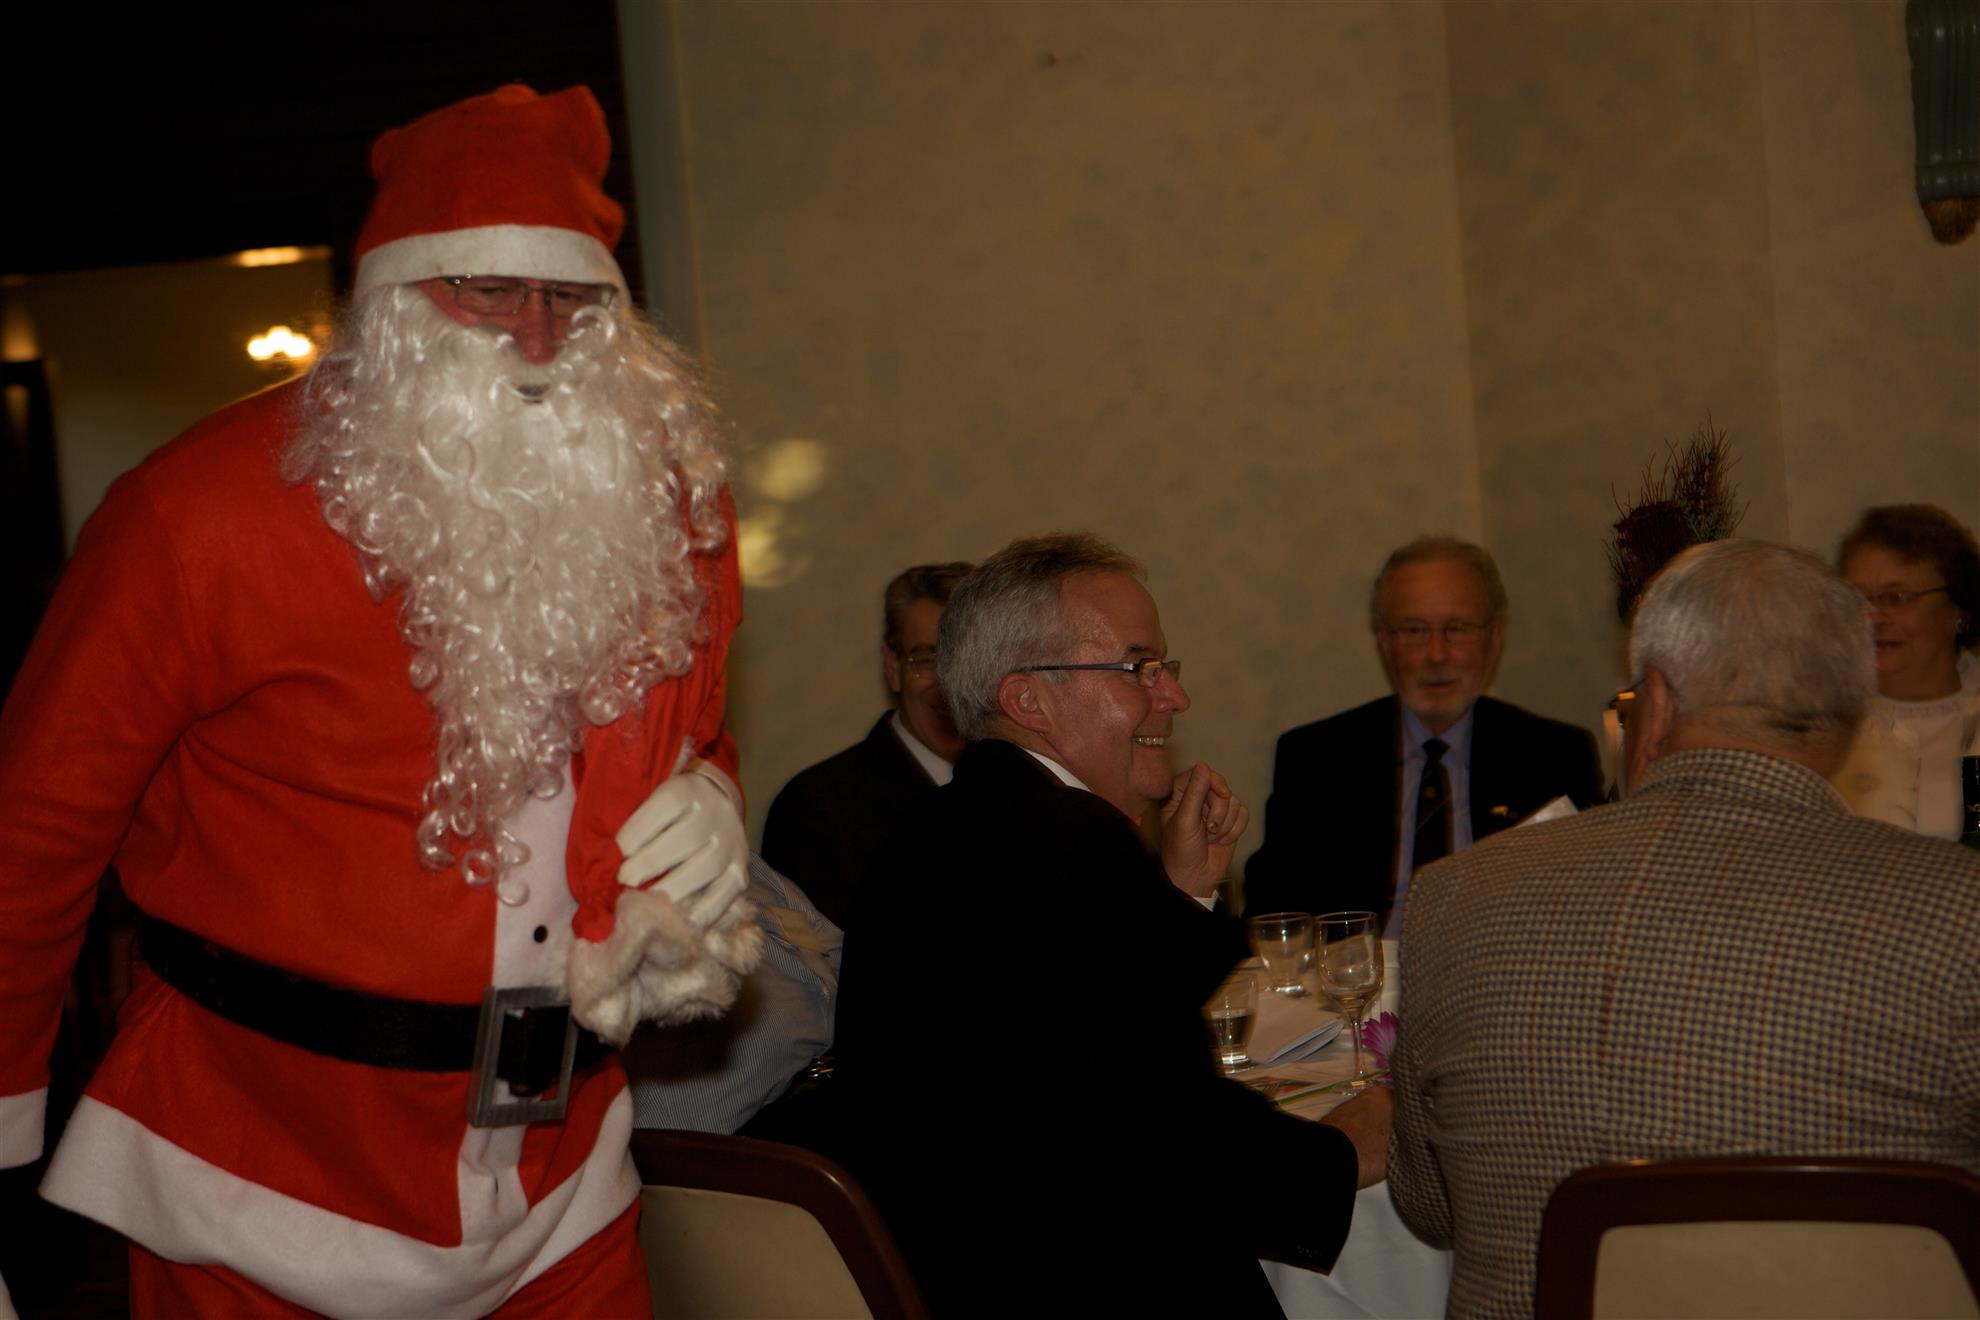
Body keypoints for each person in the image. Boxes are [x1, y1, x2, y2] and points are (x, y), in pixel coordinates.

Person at [0, 85, 761, 1317]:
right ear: (396, 301)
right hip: (256, 1184)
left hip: (565, 1187)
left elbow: (692, 723)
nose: (536, 337)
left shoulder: (667, 498)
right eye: (488, 290)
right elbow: (27, 841)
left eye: (571, 297)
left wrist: (715, 789)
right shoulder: (191, 515)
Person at [1387, 539, 1980, 1319]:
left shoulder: (1450, 897)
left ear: (1657, 702)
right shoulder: (1957, 910)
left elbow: (1430, 1207)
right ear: (1852, 715)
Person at [833, 533, 1391, 1318]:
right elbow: (1168, 1133)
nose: (1174, 697)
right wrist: (1342, 1154)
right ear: (1029, 701)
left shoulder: (943, 827)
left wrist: (1180, 893)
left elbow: (1086, 1027)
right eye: (1138, 669)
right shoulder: (1071, 840)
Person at [1245, 535, 1602, 933]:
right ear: (1384, 643)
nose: (1436, 654)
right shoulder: (1314, 758)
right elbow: (1272, 917)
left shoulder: (1554, 755)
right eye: (1414, 630)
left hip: (1498, 965)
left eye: (1457, 629)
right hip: (1360, 970)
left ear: (1495, 637)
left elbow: (1585, 907)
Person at [761, 561, 973, 926]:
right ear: (892, 667)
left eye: (969, 660)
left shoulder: (1029, 792)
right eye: (927, 659)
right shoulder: (817, 811)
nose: (950, 683)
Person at [1831, 503, 1980, 838]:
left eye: (1897, 597)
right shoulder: (1817, 722)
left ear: (1958, 610)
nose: (1873, 617)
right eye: (1857, 599)